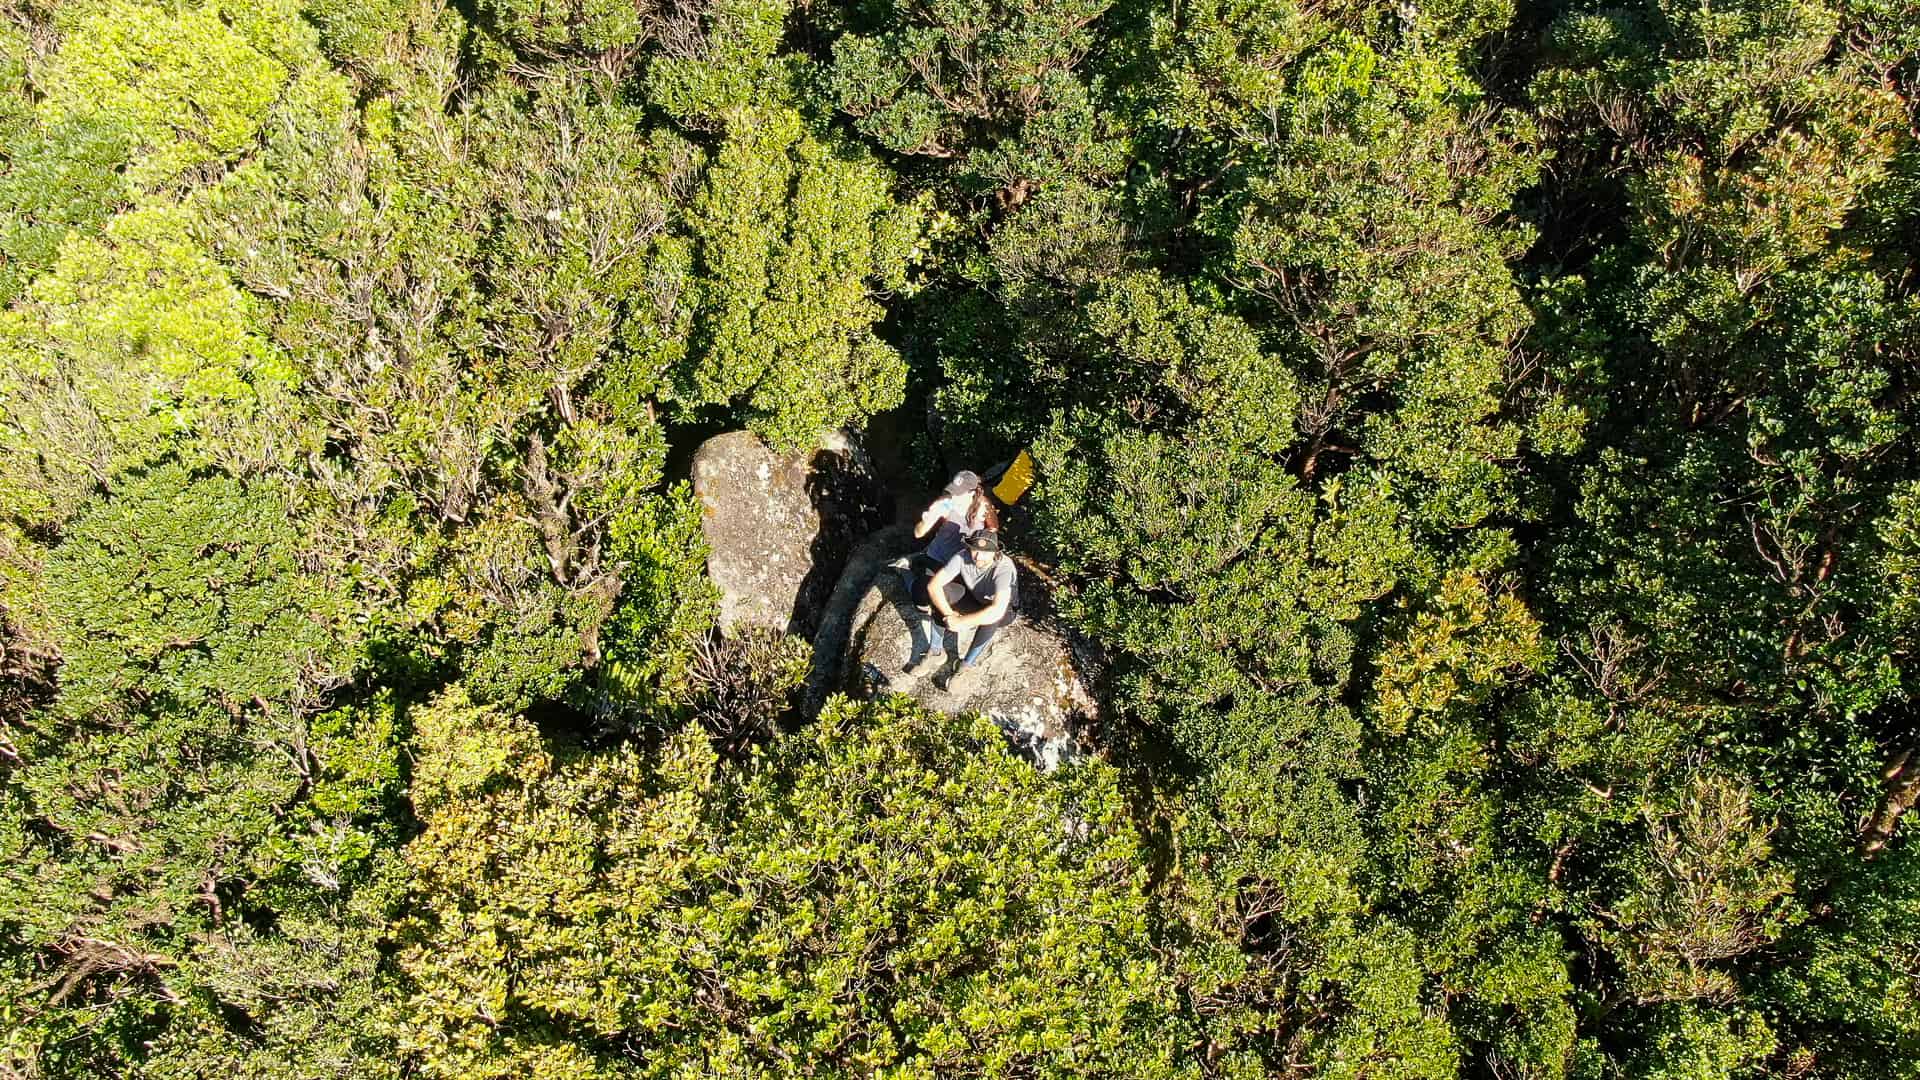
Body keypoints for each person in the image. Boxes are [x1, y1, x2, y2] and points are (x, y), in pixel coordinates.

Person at [906, 529, 1017, 682]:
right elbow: (934, 586)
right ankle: (936, 650)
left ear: (995, 552)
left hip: (1004, 610)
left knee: (992, 618)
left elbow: (997, 610)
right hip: (975, 598)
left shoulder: (1004, 568)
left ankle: (966, 666)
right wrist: (949, 615)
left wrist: (962, 622)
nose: (979, 556)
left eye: (985, 552)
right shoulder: (962, 556)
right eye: (975, 550)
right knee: (943, 594)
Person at [913, 470, 998, 567]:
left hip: (966, 563)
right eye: (953, 491)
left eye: (959, 493)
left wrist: (981, 545)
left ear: (972, 493)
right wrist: (926, 520)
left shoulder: (984, 505)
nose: (953, 496)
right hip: (937, 558)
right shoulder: (944, 503)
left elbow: (993, 529)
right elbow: (918, 533)